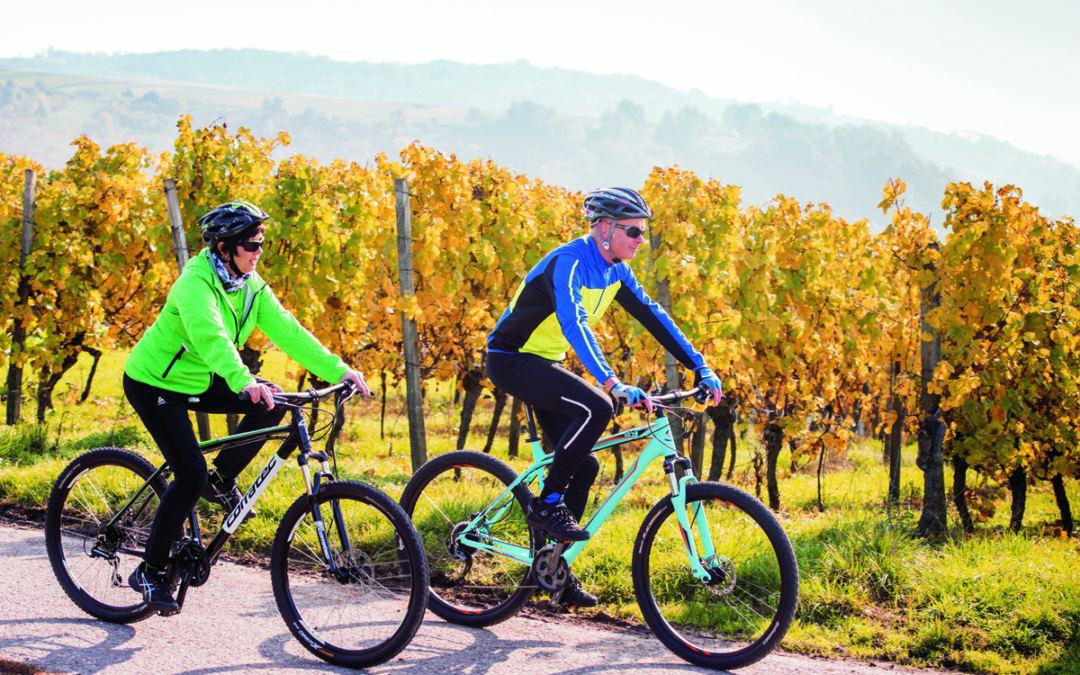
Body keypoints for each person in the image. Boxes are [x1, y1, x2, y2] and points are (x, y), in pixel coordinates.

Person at [123, 200, 371, 615]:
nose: (259, 251)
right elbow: (211, 337)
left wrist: (339, 369)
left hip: (201, 378)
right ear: (224, 248)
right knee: (187, 474)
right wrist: (242, 381)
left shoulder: (251, 285)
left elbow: (290, 332)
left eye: (261, 243)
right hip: (155, 383)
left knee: (273, 401)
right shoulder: (195, 284)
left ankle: (220, 479)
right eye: (250, 244)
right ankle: (148, 570)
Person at [486, 187, 722, 608]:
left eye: (643, 232)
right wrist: (612, 383)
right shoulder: (570, 262)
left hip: (544, 361)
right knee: (598, 405)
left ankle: (556, 572)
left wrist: (700, 366)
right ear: (603, 228)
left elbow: (655, 317)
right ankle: (547, 503)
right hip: (511, 358)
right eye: (633, 230)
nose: (639, 239)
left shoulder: (617, 270)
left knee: (586, 464)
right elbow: (575, 324)